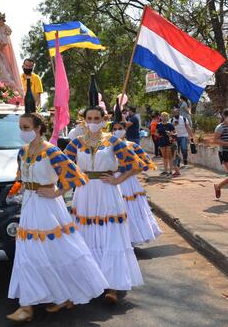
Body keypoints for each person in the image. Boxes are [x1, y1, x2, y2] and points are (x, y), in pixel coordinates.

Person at [6, 113, 108, 322]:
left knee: (55, 251)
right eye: (21, 127)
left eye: (26, 127)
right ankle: (28, 306)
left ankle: (61, 296)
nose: (22, 131)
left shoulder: (52, 152)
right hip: (29, 204)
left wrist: (57, 192)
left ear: (39, 129)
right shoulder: (22, 152)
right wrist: (16, 190)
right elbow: (21, 177)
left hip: (48, 206)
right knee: (28, 253)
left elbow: (75, 176)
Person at [64, 104, 144, 305]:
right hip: (85, 193)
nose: (92, 122)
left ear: (103, 120)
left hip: (108, 191)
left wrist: (118, 180)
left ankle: (112, 285)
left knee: (110, 235)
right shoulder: (76, 143)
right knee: (85, 235)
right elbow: (63, 166)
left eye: (95, 118)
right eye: (88, 118)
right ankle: (89, 280)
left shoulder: (114, 141)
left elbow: (136, 164)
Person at [111, 114, 162, 245]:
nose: (117, 131)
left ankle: (132, 237)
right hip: (112, 182)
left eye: (119, 128)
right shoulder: (107, 146)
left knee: (131, 209)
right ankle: (119, 239)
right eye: (114, 128)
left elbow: (144, 164)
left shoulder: (132, 145)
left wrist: (127, 171)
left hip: (129, 182)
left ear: (125, 129)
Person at [156, 112, 180, 177]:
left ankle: (170, 171)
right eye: (162, 116)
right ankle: (165, 170)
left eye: (165, 116)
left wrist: (170, 134)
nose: (164, 117)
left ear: (167, 117)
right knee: (164, 157)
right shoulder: (158, 124)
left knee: (170, 157)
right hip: (161, 141)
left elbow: (175, 134)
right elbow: (157, 132)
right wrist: (158, 135)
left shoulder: (170, 125)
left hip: (169, 142)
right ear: (160, 117)